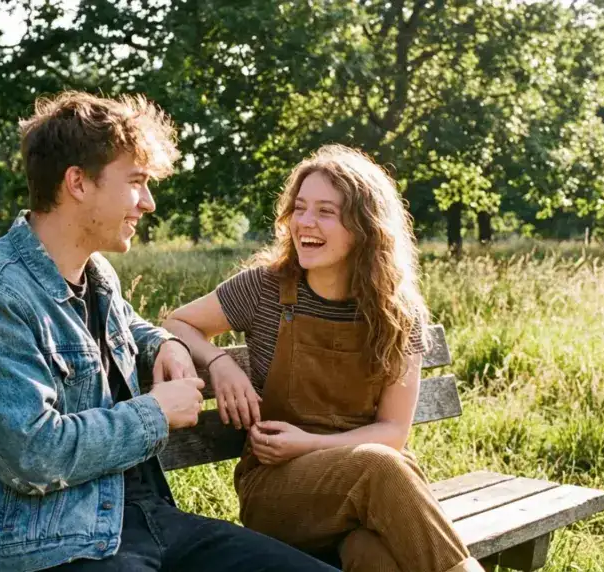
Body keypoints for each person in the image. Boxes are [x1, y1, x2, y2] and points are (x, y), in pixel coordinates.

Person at [0, 91, 338, 572]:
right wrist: (157, 412)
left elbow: (129, 328)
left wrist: (164, 343)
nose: (148, 203)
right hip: (57, 550)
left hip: (146, 521)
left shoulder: (94, 273)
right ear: (77, 182)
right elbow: (34, 455)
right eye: (137, 182)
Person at [163, 145, 484, 572]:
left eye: (326, 212)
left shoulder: (396, 312)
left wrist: (311, 443)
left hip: (361, 494)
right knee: (380, 467)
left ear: (365, 227)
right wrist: (219, 362)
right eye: (299, 208)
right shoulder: (266, 289)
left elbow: (392, 431)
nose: (305, 223)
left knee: (376, 556)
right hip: (276, 490)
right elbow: (176, 322)